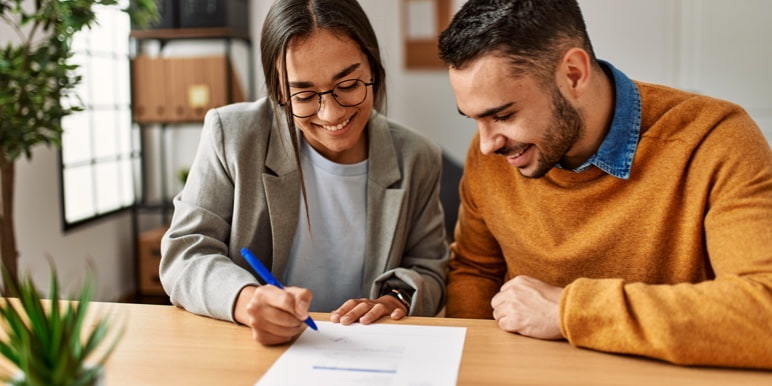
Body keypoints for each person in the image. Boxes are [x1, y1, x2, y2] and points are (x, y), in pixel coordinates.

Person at [438, 0, 772, 368]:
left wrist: (571, 310)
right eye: (474, 119)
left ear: (574, 74)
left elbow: (764, 312)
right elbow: (475, 271)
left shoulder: (714, 140)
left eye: (503, 115)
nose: (486, 144)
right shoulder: (495, 155)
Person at [160, 0, 448, 346]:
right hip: (256, 350)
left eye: (348, 85)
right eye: (304, 95)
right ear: (279, 94)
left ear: (373, 68)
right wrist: (247, 301)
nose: (331, 113)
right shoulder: (233, 135)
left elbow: (430, 269)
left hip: (368, 352)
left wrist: (396, 299)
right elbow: (186, 253)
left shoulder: (417, 157)